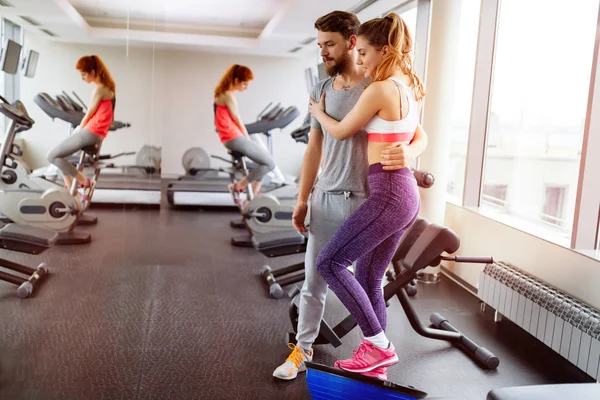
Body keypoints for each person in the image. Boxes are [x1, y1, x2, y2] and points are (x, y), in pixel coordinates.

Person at [273, 11, 428, 382]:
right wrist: (302, 198)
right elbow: (314, 147)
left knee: (364, 277)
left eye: (330, 44)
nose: (323, 52)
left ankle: (373, 353)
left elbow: (417, 132)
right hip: (327, 195)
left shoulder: (378, 82)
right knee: (315, 280)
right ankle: (303, 349)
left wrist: (410, 153)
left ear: (353, 42)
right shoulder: (322, 90)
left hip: (368, 196)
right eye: (320, 45)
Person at [48, 55, 116, 201]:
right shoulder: (109, 87)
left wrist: (80, 127)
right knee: (62, 158)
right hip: (97, 132)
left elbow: (90, 113)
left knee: (52, 156)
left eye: (84, 74)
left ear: (92, 72)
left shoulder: (99, 90)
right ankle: (71, 192)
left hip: (91, 131)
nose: (82, 78)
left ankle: (85, 183)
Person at [214, 64, 275, 197]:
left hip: (229, 137)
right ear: (236, 81)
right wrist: (246, 136)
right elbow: (237, 118)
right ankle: (239, 186)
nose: (246, 87)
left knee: (266, 159)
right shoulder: (228, 96)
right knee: (270, 164)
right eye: (245, 84)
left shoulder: (221, 93)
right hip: (234, 137)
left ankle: (255, 190)